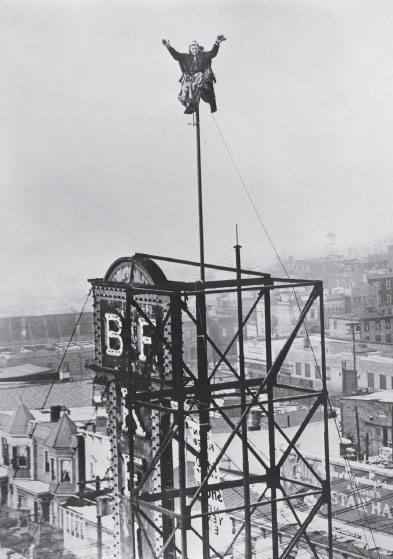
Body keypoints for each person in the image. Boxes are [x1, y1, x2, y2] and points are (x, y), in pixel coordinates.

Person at [162, 35, 226, 114]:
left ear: (198, 49)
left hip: (201, 77)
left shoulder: (204, 56)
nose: (194, 50)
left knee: (194, 84)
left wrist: (217, 43)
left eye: (196, 48)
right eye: (192, 49)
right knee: (185, 87)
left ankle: (193, 104)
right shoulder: (186, 57)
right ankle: (189, 105)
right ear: (190, 49)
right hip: (190, 77)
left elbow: (213, 53)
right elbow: (176, 55)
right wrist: (168, 47)